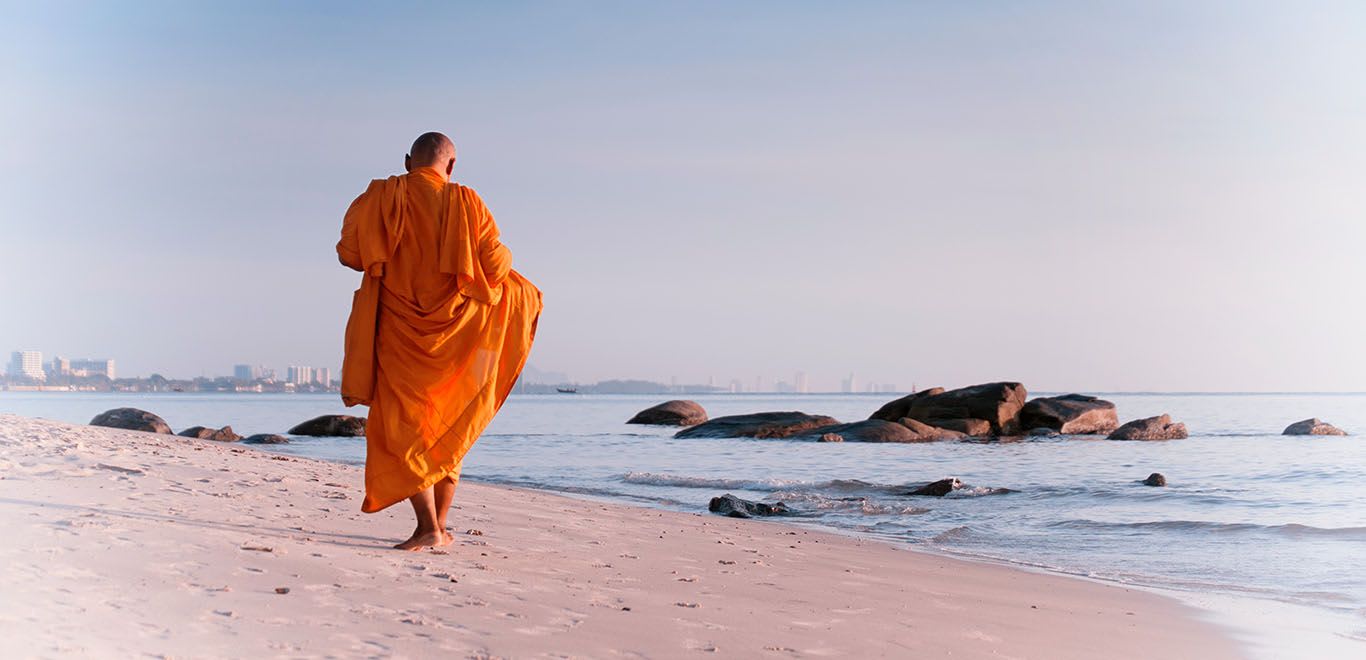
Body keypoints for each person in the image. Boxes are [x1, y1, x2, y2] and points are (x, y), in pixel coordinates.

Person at [336, 132, 542, 551]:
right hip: (456, 340)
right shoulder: (467, 203)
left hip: (398, 336)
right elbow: (497, 265)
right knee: (446, 424)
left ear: (408, 160)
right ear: (450, 166)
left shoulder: (379, 197)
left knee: (403, 428)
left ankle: (429, 527)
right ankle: (439, 525)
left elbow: (350, 254)